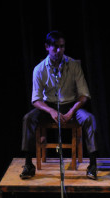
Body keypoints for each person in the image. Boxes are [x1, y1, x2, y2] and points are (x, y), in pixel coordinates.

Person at [21, 30, 98, 180]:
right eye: (55, 47)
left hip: (71, 105)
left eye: (62, 47)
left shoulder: (74, 65)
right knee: (28, 119)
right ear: (47, 47)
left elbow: (84, 95)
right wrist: (50, 111)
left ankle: (93, 165)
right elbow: (36, 99)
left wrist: (71, 112)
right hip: (48, 107)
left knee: (89, 119)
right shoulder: (39, 69)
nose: (59, 50)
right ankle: (28, 164)